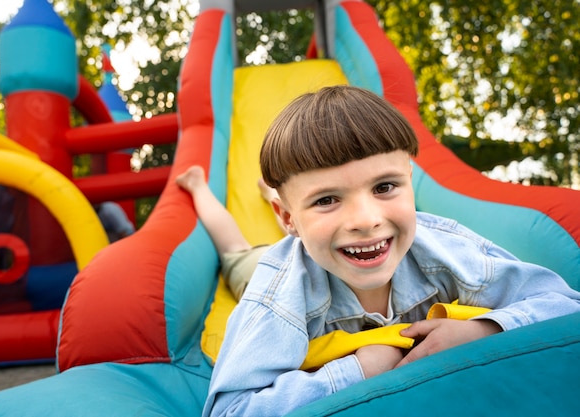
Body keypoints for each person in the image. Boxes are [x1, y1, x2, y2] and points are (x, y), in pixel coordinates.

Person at [202, 85, 580, 416]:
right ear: (287, 217)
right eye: (327, 199)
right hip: (266, 267)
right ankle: (208, 191)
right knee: (237, 252)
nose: (366, 220)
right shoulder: (274, 300)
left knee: (325, 233)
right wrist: (357, 370)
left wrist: (483, 329)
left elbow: (565, 305)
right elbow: (231, 411)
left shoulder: (443, 249)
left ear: (410, 180)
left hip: (324, 243)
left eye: (384, 187)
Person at [176, 165, 284, 301]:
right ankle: (197, 185)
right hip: (271, 280)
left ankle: (271, 193)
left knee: (299, 234)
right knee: (234, 248)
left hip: (293, 262)